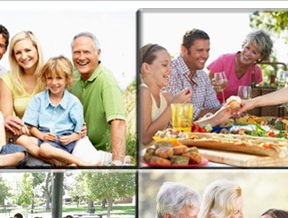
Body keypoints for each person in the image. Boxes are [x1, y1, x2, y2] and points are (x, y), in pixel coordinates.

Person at [22, 56, 96, 166]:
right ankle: (57, 162)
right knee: (21, 140)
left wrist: (71, 138)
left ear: (67, 79)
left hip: (63, 141)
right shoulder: (38, 99)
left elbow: (79, 132)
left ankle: (79, 162)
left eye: (59, 78)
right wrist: (42, 136)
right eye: (50, 78)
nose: (54, 82)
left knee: (44, 149)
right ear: (45, 79)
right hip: (43, 138)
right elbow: (32, 128)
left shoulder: (73, 103)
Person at [70, 32, 127, 165]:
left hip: (97, 150)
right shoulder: (71, 77)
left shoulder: (106, 81)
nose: (81, 57)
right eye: (76, 52)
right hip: (72, 144)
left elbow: (118, 122)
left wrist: (117, 162)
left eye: (86, 52)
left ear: (98, 53)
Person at [162, 29, 225, 121]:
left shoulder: (203, 76)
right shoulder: (169, 72)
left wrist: (225, 110)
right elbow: (183, 113)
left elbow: (213, 106)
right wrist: (223, 112)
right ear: (184, 50)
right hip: (172, 134)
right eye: (200, 50)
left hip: (199, 133)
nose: (205, 55)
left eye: (207, 50)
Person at [140, 43, 192, 145]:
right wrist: (173, 105)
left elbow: (182, 130)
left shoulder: (166, 97)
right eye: (164, 65)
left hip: (162, 153)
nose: (170, 70)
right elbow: (145, 138)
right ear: (146, 68)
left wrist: (218, 117)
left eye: (170, 65)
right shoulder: (143, 92)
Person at [207, 30, 273, 101]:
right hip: (214, 106)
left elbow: (251, 97)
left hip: (238, 108)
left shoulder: (256, 71)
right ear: (243, 45)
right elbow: (205, 93)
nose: (248, 53)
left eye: (254, 52)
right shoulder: (223, 60)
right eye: (247, 48)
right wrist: (215, 91)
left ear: (261, 56)